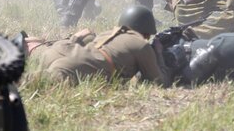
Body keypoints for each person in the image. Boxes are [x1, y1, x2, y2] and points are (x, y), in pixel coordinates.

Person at [37, 5, 172, 86]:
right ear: (147, 33)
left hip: (62, 54)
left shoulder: (109, 34)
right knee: (32, 83)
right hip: (77, 68)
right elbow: (158, 82)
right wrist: (159, 54)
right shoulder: (141, 45)